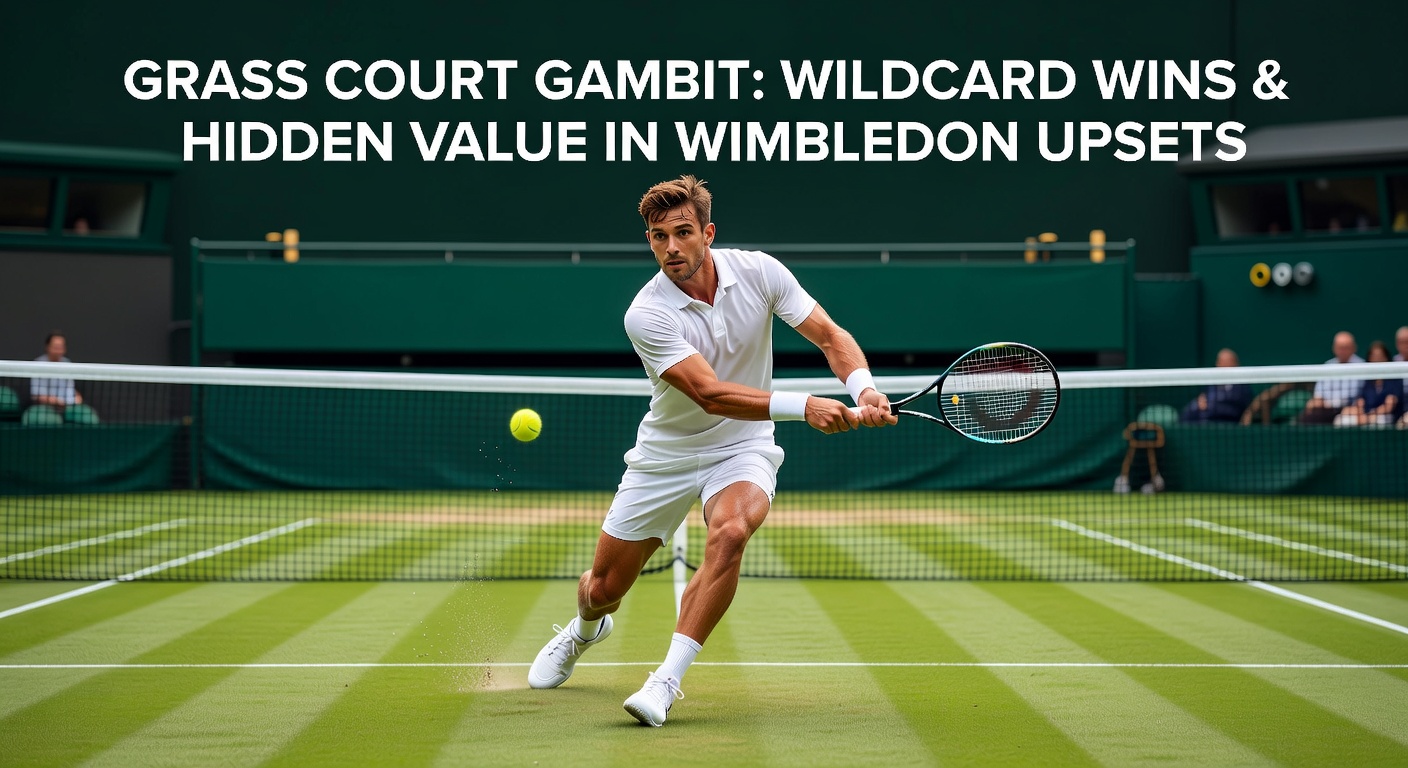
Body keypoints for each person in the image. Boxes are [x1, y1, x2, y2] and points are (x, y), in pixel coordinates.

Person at [526, 175, 896, 727]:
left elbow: (829, 335)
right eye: (657, 237)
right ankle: (584, 629)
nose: (671, 248)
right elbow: (711, 393)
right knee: (602, 589)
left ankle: (666, 680)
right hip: (667, 455)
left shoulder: (759, 272)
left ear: (707, 232)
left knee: (731, 532)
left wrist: (862, 388)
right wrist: (807, 407)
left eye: (682, 233)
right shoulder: (646, 313)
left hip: (743, 447)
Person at [1299, 331, 1364, 425]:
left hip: (1350, 409)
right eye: (1340, 348)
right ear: (1334, 348)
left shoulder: (1362, 366)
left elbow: (1358, 394)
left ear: (1354, 348)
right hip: (1327, 409)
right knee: (1307, 418)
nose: (1343, 351)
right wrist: (1317, 402)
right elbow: (1319, 394)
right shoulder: (1327, 366)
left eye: (1346, 347)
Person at [1335, 340, 1403, 426]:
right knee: (1342, 419)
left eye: (1380, 356)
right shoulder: (1367, 380)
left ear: (1386, 358)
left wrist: (1370, 416)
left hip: (1387, 417)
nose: (1376, 360)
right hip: (1367, 415)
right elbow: (1361, 401)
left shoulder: (1395, 379)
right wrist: (1359, 413)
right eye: (1373, 357)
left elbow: (1389, 405)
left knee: (1379, 421)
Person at [1180, 348, 1252, 423]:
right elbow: (1201, 402)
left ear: (1235, 364)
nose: (1223, 366)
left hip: (1229, 425)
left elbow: (1236, 409)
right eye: (1220, 362)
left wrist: (1210, 405)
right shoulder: (1210, 385)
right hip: (1207, 424)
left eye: (1227, 362)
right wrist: (1199, 405)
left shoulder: (1242, 387)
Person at [30, 332, 84, 412]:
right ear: (47, 347)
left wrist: (77, 397)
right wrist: (57, 402)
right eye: (55, 347)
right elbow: (35, 394)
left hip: (67, 406)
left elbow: (70, 388)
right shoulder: (38, 365)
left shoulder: (67, 364)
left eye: (61, 347)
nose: (58, 350)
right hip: (44, 408)